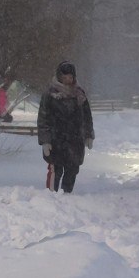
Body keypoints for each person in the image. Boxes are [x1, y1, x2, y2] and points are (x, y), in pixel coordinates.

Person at [37, 61, 94, 193]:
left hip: (75, 140)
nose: (68, 80)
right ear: (59, 77)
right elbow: (43, 118)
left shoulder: (79, 94)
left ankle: (66, 195)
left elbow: (87, 116)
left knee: (72, 169)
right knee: (56, 169)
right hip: (55, 139)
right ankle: (52, 195)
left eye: (70, 77)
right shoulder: (50, 94)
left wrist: (88, 134)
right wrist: (45, 141)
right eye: (64, 77)